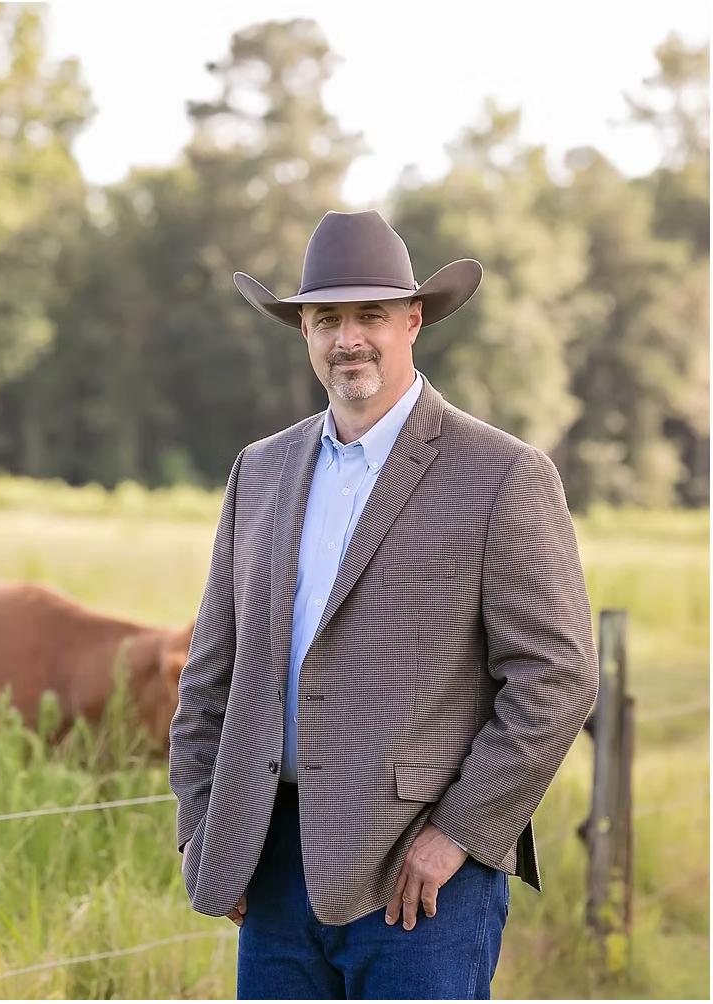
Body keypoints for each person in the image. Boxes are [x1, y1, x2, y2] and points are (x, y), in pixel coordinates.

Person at [169, 209, 599, 1000]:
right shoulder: (258, 472)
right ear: (303, 330)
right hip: (269, 863)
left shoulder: (502, 474)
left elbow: (558, 677)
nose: (348, 338)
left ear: (413, 320)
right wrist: (206, 832)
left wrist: (459, 835)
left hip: (421, 877)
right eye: (326, 318)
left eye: (370, 314)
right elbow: (210, 676)